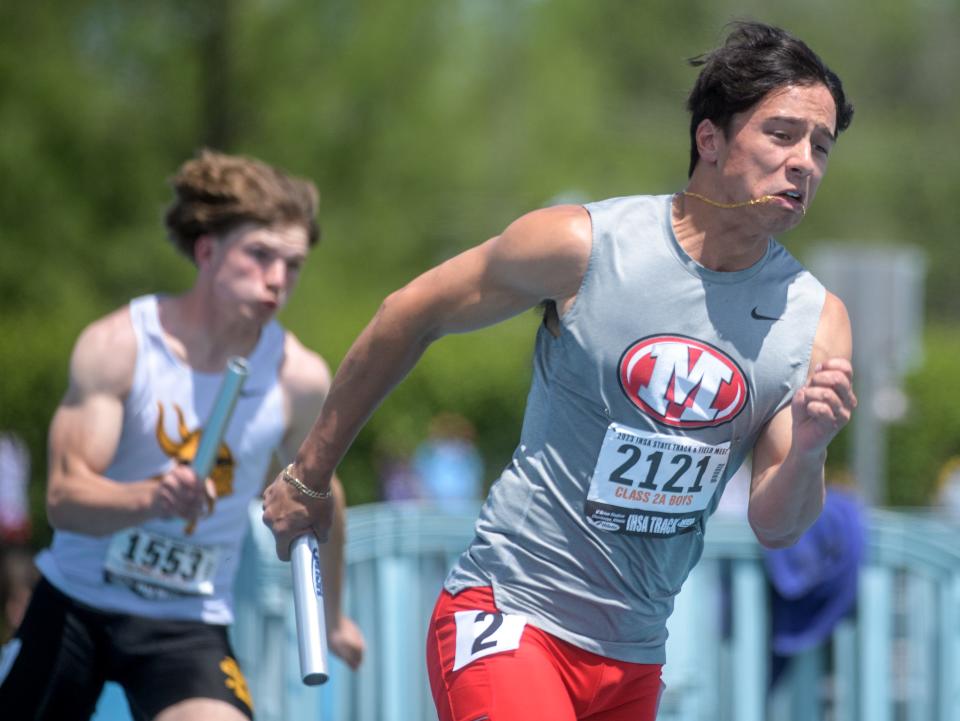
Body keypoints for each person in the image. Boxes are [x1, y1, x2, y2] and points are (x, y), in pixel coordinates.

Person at [263, 21, 856, 721]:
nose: (804, 163)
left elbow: (777, 524)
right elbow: (409, 312)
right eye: (782, 134)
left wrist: (812, 447)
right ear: (710, 139)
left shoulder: (814, 318)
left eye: (820, 147)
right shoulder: (583, 245)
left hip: (634, 656)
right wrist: (310, 473)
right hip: (511, 617)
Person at [0, 150, 364, 721]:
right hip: (76, 604)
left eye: (292, 265)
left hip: (187, 623)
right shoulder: (120, 346)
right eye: (260, 255)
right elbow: (64, 502)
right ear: (207, 251)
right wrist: (150, 497)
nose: (277, 278)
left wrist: (335, 616)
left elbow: (322, 496)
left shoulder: (298, 378)